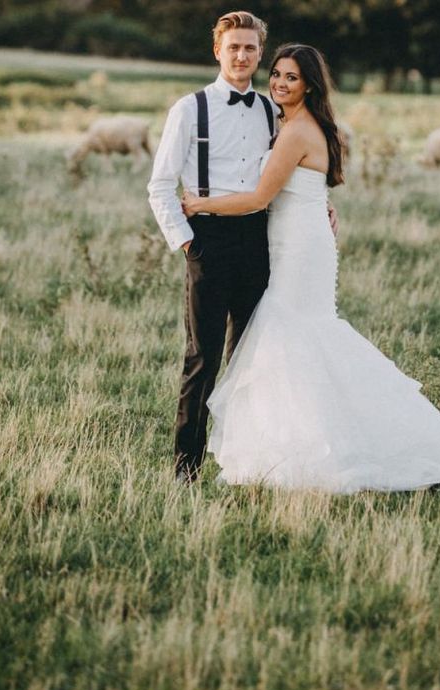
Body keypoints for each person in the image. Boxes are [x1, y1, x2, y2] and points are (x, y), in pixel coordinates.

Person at [180, 44, 440, 493]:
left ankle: (317, 447)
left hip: (298, 248)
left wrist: (201, 203)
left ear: (310, 84)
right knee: (295, 337)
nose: (279, 82)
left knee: (294, 335)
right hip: (294, 239)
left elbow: (260, 198)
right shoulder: (291, 123)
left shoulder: (297, 131)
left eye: (291, 77)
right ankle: (291, 444)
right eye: (276, 74)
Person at [147, 11, 339, 483]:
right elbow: (160, 185)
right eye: (233, 46)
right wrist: (187, 242)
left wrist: (322, 206)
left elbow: (294, 170)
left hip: (261, 241)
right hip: (207, 242)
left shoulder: (274, 109)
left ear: (259, 54)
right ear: (218, 50)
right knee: (202, 358)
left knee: (256, 357)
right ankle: (185, 468)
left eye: (251, 48)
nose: (242, 55)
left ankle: (246, 459)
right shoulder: (189, 109)